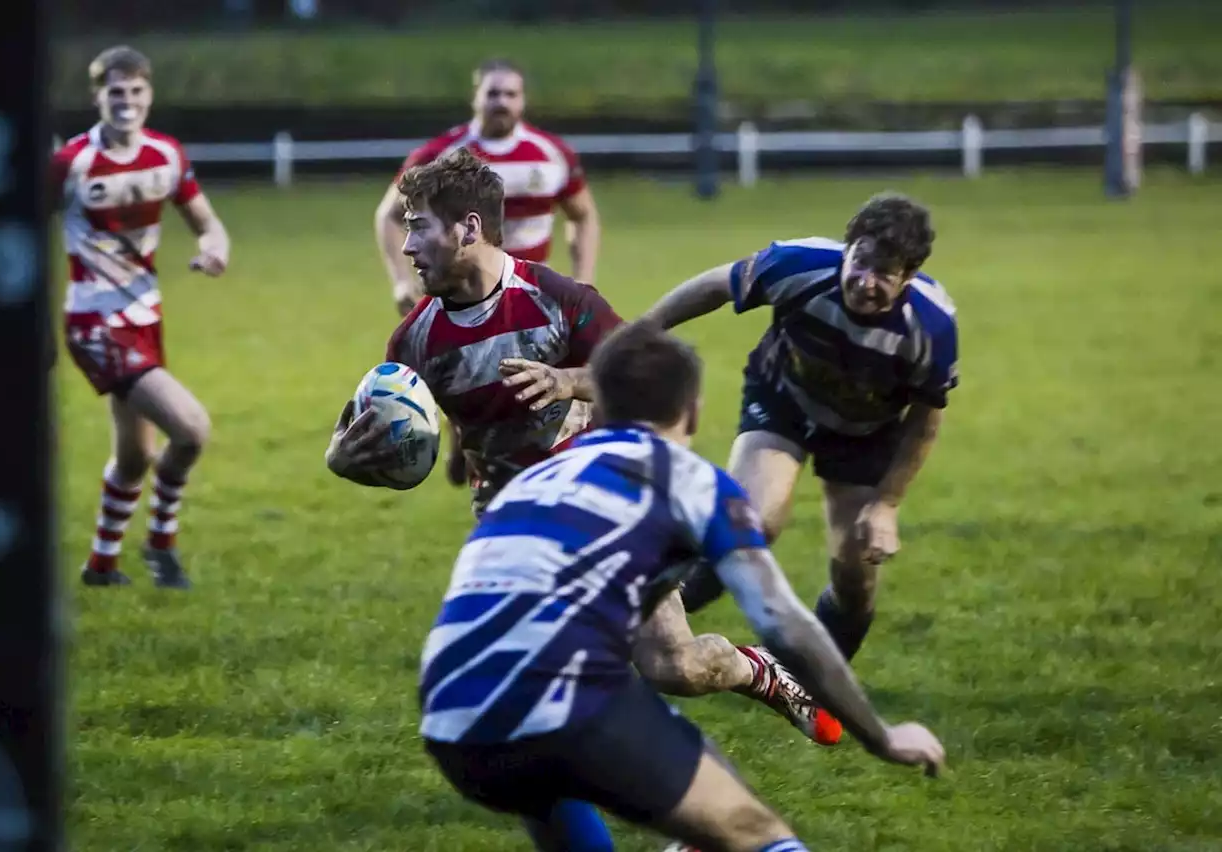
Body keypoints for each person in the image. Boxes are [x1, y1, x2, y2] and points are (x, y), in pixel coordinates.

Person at [418, 320, 946, 852]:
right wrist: (881, 735)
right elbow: (781, 620)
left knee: (545, 775)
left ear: (597, 409)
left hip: (450, 717)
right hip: (562, 702)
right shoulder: (688, 477)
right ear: (691, 412)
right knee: (754, 833)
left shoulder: (528, 482)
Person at [328, 147, 809, 729]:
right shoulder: (414, 343)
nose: (406, 248)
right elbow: (411, 436)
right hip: (512, 531)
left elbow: (647, 379)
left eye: (418, 228)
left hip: (605, 506)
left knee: (674, 666)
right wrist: (349, 456)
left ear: (468, 228)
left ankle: (758, 671)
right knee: (525, 705)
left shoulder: (560, 300)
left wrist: (570, 380)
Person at [640, 194, 959, 745]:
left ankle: (806, 683)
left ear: (909, 277)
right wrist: (645, 330)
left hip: (866, 433)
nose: (864, 281)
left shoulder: (931, 327)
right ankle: (652, 622)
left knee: (856, 579)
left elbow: (924, 424)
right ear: (847, 248)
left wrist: (886, 505)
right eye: (859, 261)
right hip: (783, 401)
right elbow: (717, 283)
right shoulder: (800, 265)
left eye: (883, 274)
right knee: (751, 521)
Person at [374, 57, 602, 487]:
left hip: (532, 297)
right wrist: (401, 279)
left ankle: (517, 468)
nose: (501, 102)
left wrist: (582, 276)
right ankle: (471, 447)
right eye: (492, 93)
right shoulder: (442, 157)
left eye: (510, 94)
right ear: (475, 97)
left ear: (523, 101)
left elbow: (584, 215)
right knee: (466, 377)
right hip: (459, 292)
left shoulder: (551, 155)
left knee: (545, 395)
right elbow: (388, 214)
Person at [51, 45, 230, 589]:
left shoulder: (166, 155)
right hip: (93, 322)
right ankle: (161, 544)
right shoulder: (72, 164)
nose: (126, 101)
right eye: (115, 92)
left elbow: (207, 222)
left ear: (148, 94)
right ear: (97, 97)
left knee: (134, 457)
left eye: (135, 91)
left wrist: (215, 246)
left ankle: (101, 567)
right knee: (192, 429)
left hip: (144, 316)